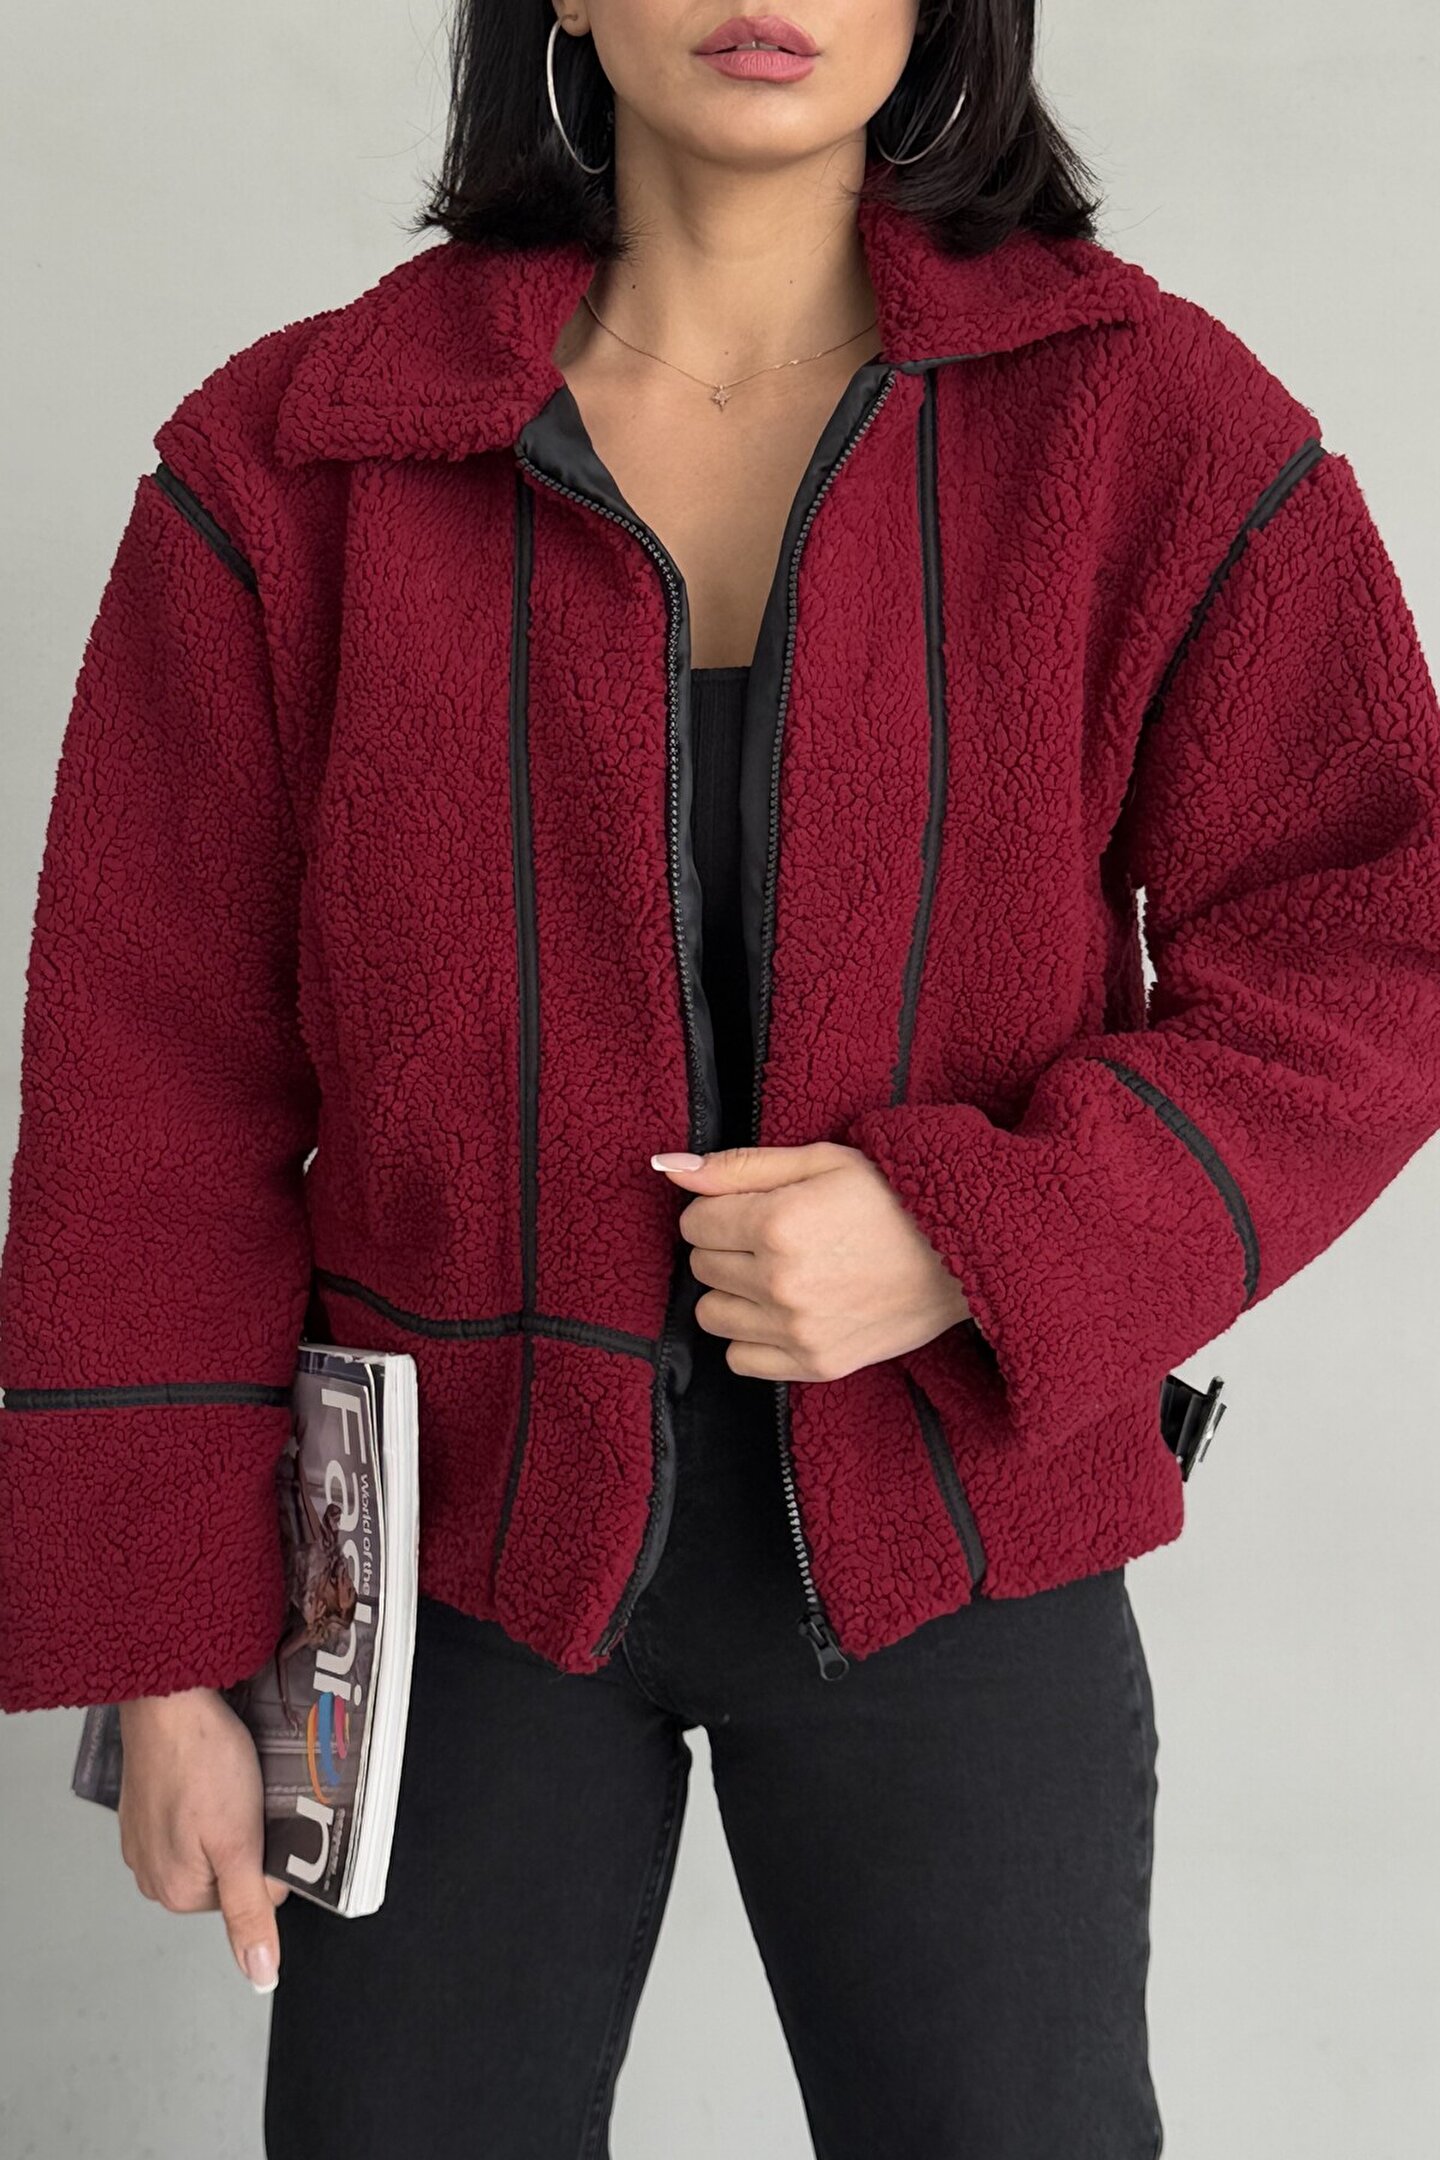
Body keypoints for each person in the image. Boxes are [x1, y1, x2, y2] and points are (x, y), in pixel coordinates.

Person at [3, 4, 1439, 2155]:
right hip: (437, 1580)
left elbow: (1376, 925)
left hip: (963, 1549)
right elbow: (153, 1078)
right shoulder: (301, 460)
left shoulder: (1140, 420)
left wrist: (979, 1234)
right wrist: (165, 1645)